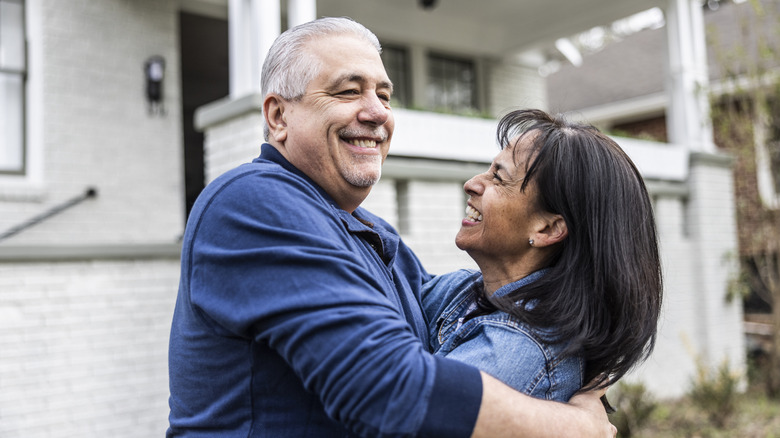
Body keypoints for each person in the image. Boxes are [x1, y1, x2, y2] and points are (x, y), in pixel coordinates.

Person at [167, 17, 615, 437]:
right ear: (278, 117)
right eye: (348, 91)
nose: (377, 112)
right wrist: (576, 426)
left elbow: (463, 304)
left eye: (384, 95)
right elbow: (386, 386)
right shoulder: (253, 202)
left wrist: (587, 340)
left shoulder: (370, 233)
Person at [421, 109, 663, 403]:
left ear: (548, 228)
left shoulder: (517, 350)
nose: (472, 184)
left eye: (498, 178)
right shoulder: (467, 292)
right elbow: (384, 272)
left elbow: (401, 416)